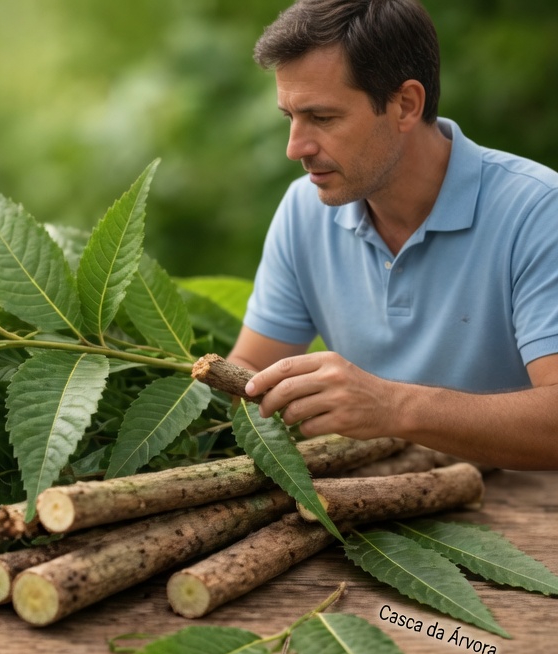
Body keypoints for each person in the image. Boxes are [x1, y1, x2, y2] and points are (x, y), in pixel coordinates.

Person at [230, 0, 558, 470]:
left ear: (406, 105)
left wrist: (393, 407)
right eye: (290, 117)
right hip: (382, 508)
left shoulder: (538, 211)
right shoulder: (304, 210)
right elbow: (250, 371)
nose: (294, 148)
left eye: (322, 118)